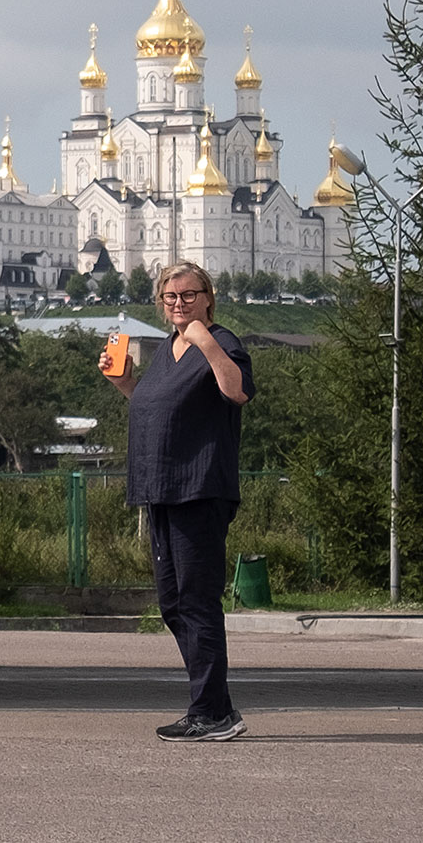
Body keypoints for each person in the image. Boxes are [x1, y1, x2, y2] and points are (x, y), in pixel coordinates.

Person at [99, 261, 254, 743]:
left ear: (208, 297)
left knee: (197, 601)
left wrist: (206, 341)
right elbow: (155, 407)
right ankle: (218, 708)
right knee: (172, 603)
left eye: (188, 296)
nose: (179, 304)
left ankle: (209, 711)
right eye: (170, 297)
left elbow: (237, 392)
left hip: (199, 488)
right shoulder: (167, 348)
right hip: (160, 488)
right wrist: (124, 382)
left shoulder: (222, 340)